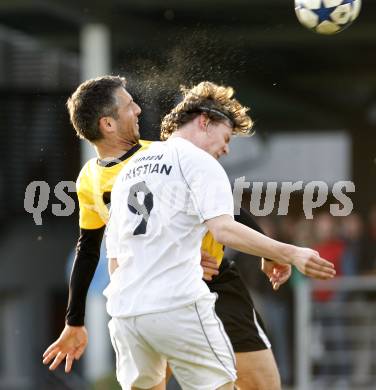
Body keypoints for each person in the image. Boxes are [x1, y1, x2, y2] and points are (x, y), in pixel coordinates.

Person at [42, 76, 334, 389]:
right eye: (129, 106)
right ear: (108, 124)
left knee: (259, 383)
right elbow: (90, 248)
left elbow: (227, 211)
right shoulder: (92, 178)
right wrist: (75, 319)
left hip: (207, 282)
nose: (139, 110)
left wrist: (266, 251)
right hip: (168, 286)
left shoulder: (161, 153)